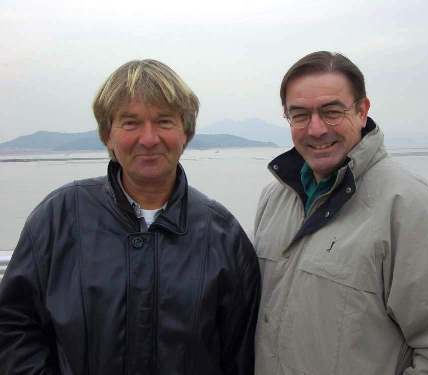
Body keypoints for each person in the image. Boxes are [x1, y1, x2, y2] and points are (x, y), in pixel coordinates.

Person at [0, 59, 260, 375]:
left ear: (186, 133)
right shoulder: (59, 218)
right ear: (108, 135)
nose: (148, 139)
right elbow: (13, 325)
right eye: (130, 123)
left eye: (164, 121)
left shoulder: (223, 235)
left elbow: (240, 355)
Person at [253, 51, 428, 375]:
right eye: (299, 114)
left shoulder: (410, 207)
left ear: (361, 110)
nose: (315, 129)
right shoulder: (275, 198)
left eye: (331, 111)